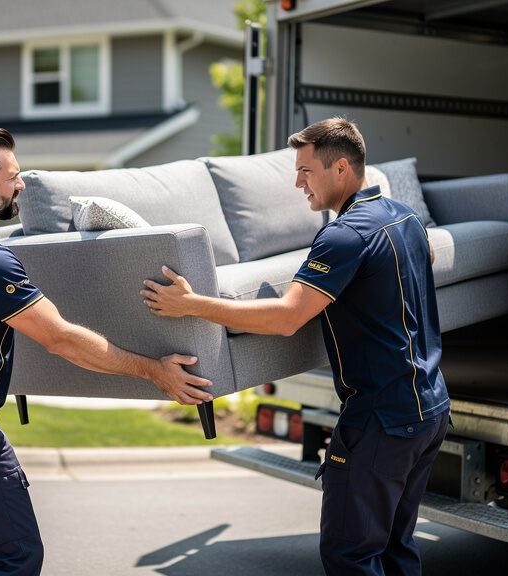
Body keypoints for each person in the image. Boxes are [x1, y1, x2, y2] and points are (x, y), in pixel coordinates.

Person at [0, 128, 214, 575]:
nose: (20, 184)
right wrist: (154, 370)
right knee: (17, 557)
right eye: (12, 177)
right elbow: (59, 338)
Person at [140, 117, 450, 575]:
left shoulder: (344, 236)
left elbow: (287, 318)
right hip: (430, 409)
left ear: (340, 168)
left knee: (351, 555)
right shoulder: (405, 218)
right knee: (396, 549)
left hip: (382, 421)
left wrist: (192, 304)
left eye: (306, 170)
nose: (298, 182)